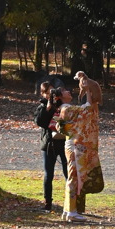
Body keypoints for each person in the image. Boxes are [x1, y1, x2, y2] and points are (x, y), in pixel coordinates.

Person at [57, 71, 103, 224]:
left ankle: (68, 210)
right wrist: (89, 90)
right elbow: (88, 110)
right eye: (64, 91)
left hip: (73, 144)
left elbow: (85, 110)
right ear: (60, 97)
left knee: (73, 177)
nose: (68, 91)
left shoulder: (68, 109)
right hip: (75, 146)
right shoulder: (66, 109)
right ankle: (71, 211)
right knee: (74, 178)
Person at [34, 77, 68, 212]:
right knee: (49, 174)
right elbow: (40, 122)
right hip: (48, 144)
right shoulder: (42, 106)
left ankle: (70, 202)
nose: (50, 95)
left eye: (52, 92)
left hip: (64, 142)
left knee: (68, 173)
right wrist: (48, 108)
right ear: (43, 94)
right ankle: (48, 203)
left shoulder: (63, 105)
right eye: (47, 93)